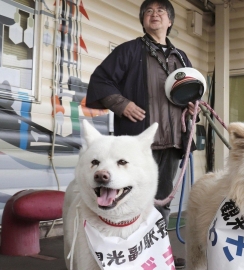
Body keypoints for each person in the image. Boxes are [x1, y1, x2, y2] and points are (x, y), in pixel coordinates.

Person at [86, 0, 196, 268]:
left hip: (171, 142)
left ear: (170, 21)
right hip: (138, 146)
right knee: (131, 201)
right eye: (148, 11)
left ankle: (160, 252)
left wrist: (193, 106)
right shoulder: (128, 51)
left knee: (162, 200)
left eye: (161, 11)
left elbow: (191, 90)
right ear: (143, 21)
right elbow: (100, 80)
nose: (154, 14)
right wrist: (122, 104)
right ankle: (129, 255)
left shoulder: (181, 58)